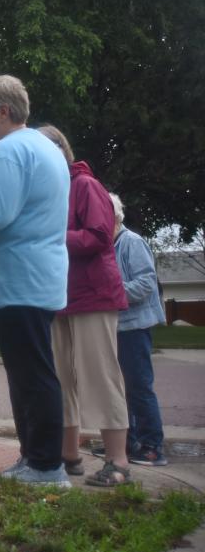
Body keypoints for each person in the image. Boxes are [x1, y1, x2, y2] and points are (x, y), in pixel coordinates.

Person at [0, 76, 72, 488]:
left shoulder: (9, 150)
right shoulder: (46, 147)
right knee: (32, 372)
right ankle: (36, 459)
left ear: (2, 112)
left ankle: (45, 466)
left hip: (18, 279)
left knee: (32, 376)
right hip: (39, 277)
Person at [38, 125, 131, 488]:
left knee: (100, 375)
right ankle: (69, 455)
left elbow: (97, 236)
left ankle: (118, 461)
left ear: (60, 150)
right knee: (60, 379)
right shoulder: (49, 193)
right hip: (58, 298)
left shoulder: (86, 186)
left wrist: (47, 238)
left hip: (92, 295)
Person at [109, 192, 168, 467]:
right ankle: (128, 441)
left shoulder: (131, 243)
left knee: (139, 386)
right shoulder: (108, 245)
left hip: (134, 327)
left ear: (114, 215)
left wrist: (111, 293)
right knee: (119, 387)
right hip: (115, 327)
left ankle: (152, 445)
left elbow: (146, 283)